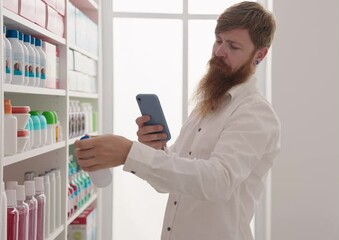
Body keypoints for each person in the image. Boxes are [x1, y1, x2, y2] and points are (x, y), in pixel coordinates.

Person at [75, 1, 281, 239]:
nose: (219, 52)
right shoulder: (210, 105)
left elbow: (218, 181)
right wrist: (155, 149)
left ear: (260, 55)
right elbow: (172, 181)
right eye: (218, 40)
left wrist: (129, 153)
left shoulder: (255, 113)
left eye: (233, 46)